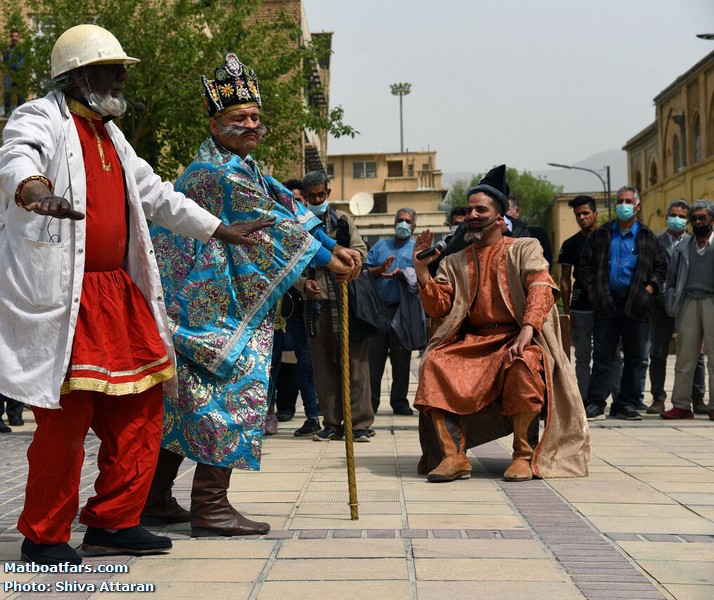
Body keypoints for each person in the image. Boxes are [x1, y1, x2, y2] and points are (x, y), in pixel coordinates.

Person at [0, 25, 278, 566]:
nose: (124, 77)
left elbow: (156, 194)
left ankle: (114, 522)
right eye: (113, 68)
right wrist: (35, 190)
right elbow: (16, 157)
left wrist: (219, 229)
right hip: (67, 297)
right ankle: (44, 535)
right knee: (67, 418)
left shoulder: (111, 134)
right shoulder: (39, 117)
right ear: (81, 75)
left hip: (120, 296)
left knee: (143, 409)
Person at [144, 53, 357, 537]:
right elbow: (277, 226)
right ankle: (210, 506)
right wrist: (327, 259)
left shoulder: (244, 167)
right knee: (224, 399)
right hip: (207, 311)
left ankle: (155, 499)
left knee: (188, 406)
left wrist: (332, 247)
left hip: (216, 305)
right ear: (215, 122)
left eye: (256, 117)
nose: (251, 125)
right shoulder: (218, 173)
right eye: (239, 118)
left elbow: (288, 210)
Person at [412, 165, 590, 482]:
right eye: (469, 210)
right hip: (472, 343)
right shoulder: (453, 261)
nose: (473, 215)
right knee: (433, 363)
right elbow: (439, 306)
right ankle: (454, 456)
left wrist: (527, 330)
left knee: (523, 361)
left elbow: (541, 286)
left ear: (500, 216)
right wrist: (422, 270)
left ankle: (523, 455)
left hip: (516, 337)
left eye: (481, 209)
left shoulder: (525, 247)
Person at [298, 171, 374, 442]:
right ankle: (331, 423)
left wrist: (346, 262)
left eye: (321, 194)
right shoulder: (298, 224)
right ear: (304, 198)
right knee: (323, 367)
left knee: (355, 363)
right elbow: (290, 264)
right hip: (316, 305)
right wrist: (303, 283)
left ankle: (361, 424)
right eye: (311, 196)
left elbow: (361, 251)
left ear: (327, 193)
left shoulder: (343, 220)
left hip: (347, 302)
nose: (317, 199)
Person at [580, 186, 667, 421]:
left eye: (628, 201)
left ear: (637, 206)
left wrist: (649, 290)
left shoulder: (648, 237)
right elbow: (585, 265)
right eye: (620, 201)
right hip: (606, 302)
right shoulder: (601, 235)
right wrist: (594, 289)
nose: (623, 205)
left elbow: (661, 268)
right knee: (603, 355)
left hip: (636, 303)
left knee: (635, 356)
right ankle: (596, 402)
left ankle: (626, 403)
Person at [558, 195, 622, 404]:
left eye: (586, 213)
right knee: (583, 356)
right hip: (581, 308)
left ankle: (619, 398)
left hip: (607, 307)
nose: (582, 217)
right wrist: (567, 311)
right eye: (578, 215)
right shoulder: (570, 244)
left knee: (611, 355)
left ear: (596, 214)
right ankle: (583, 399)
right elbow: (565, 279)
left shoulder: (611, 240)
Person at [647, 200, 706, 415]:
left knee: (694, 354)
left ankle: (697, 397)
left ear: (688, 220)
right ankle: (658, 398)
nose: (677, 219)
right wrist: (666, 297)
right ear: (667, 217)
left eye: (682, 216)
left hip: (689, 305)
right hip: (661, 306)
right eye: (674, 215)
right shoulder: (655, 242)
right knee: (659, 352)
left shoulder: (695, 242)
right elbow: (654, 272)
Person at [662, 200, 714, 420]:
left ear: (711, 219)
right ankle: (681, 405)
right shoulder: (683, 248)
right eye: (695, 219)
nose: (699, 222)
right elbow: (671, 278)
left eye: (703, 218)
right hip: (689, 303)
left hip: (712, 302)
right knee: (685, 357)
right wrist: (671, 296)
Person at [365, 208, 418, 415]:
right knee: (374, 360)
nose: (403, 224)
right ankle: (371, 402)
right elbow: (365, 271)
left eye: (408, 221)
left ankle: (399, 401)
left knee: (401, 359)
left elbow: (421, 278)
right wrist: (380, 270)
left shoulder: (415, 250)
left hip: (402, 312)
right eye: (400, 220)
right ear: (394, 222)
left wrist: (403, 273)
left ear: (414, 226)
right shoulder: (380, 247)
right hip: (378, 312)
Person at [506, 194, 553, 267]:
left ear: (517, 212)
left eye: (505, 209)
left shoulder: (538, 234)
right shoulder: (489, 236)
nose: (502, 215)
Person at [2, 29, 25, 116]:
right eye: (12, 36)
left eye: (16, 36)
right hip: (9, 74)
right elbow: (5, 62)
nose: (14, 38)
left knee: (21, 94)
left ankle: (22, 113)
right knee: (7, 92)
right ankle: (7, 113)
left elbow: (24, 61)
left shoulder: (22, 49)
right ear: (10, 37)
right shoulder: (7, 49)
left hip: (20, 74)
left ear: (18, 37)